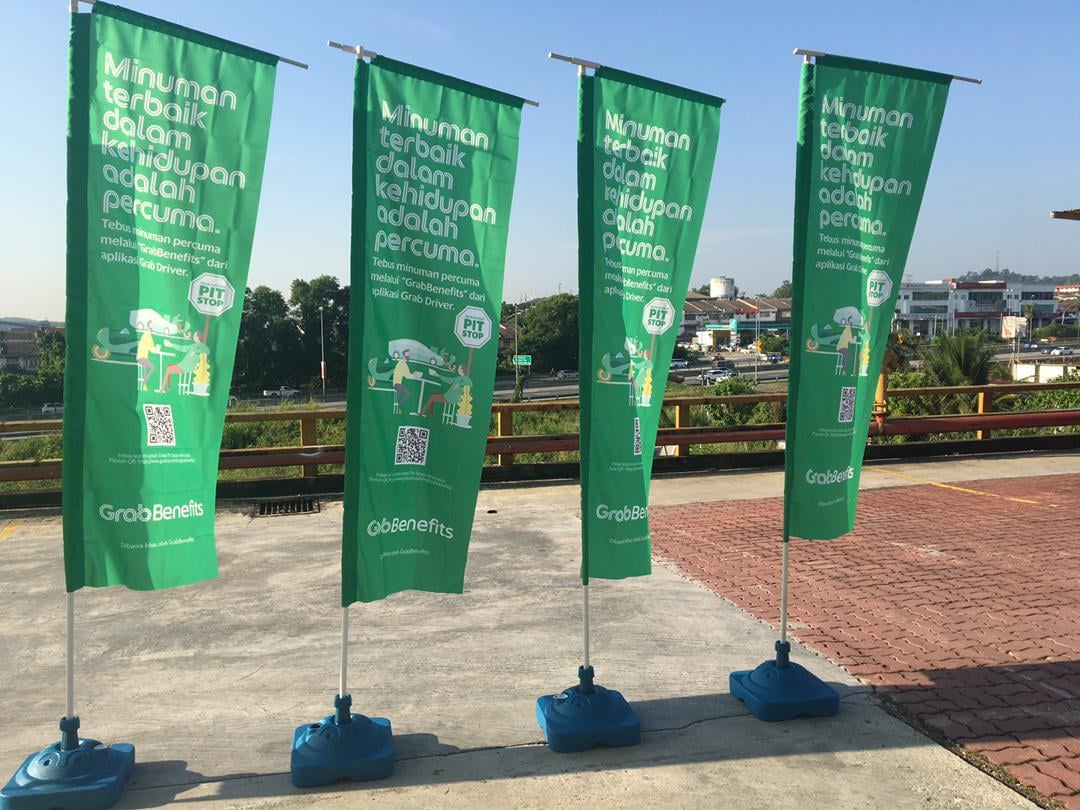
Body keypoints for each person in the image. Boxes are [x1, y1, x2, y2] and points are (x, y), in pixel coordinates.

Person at [135, 324, 159, 391]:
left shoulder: (146, 335)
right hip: (141, 357)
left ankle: (144, 383)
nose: (150, 330)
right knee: (150, 368)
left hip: (141, 357)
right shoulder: (147, 336)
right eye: (150, 329)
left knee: (148, 368)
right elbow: (152, 349)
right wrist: (156, 349)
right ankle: (144, 383)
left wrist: (155, 348)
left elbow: (151, 348)